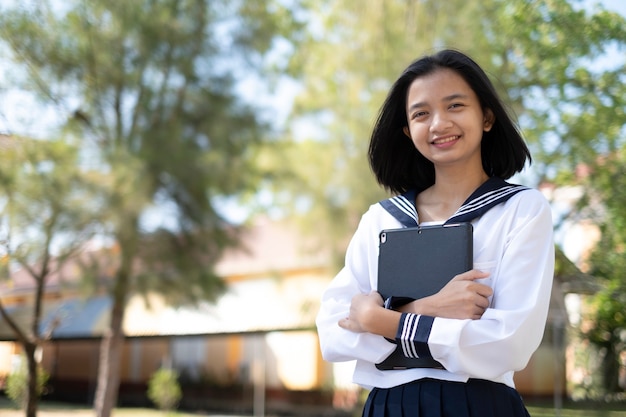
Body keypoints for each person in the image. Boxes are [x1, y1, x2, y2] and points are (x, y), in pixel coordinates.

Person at [315, 49, 554, 417]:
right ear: (409, 132)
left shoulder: (521, 210)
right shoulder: (380, 220)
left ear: (486, 116)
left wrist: (380, 321)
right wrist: (426, 310)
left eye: (455, 106)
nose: (439, 124)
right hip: (387, 406)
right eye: (421, 114)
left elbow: (508, 343)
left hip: (479, 405)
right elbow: (333, 333)